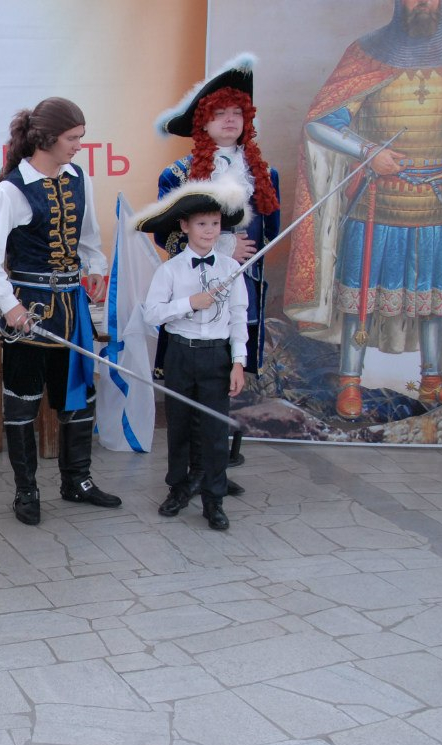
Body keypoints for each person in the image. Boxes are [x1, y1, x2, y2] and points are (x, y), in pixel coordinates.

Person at [284, 0, 442, 419]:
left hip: (441, 201)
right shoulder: (366, 52)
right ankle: (350, 381)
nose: (423, 3)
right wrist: (368, 152)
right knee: (360, 295)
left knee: (436, 295)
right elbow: (320, 123)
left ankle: (433, 379)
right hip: (376, 201)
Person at [0, 96, 120, 527]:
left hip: (72, 309)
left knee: (78, 397)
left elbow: (88, 238)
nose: (78, 146)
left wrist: (95, 268)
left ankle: (77, 481)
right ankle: (27, 490)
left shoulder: (78, 178)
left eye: (80, 138)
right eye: (72, 138)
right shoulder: (11, 191)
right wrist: (10, 306)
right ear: (46, 139)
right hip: (29, 311)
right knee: (23, 404)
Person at [154, 53, 280, 495]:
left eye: (237, 114)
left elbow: (270, 236)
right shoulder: (176, 175)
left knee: (226, 381)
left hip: (239, 297)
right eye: (220, 113)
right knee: (192, 392)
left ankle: (215, 472)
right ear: (202, 122)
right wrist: (224, 247)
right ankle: (188, 473)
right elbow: (166, 237)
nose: (230, 120)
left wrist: (245, 264)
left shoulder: (265, 175)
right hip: (194, 296)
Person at [137, 180, 251, 532]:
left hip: (217, 356)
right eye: (201, 224)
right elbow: (151, 314)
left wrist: (238, 362)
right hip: (181, 356)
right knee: (181, 425)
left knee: (215, 430)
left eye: (215, 223)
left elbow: (238, 317)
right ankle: (179, 487)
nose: (209, 231)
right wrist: (189, 303)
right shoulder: (169, 271)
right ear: (185, 226)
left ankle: (214, 498)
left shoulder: (230, 270)